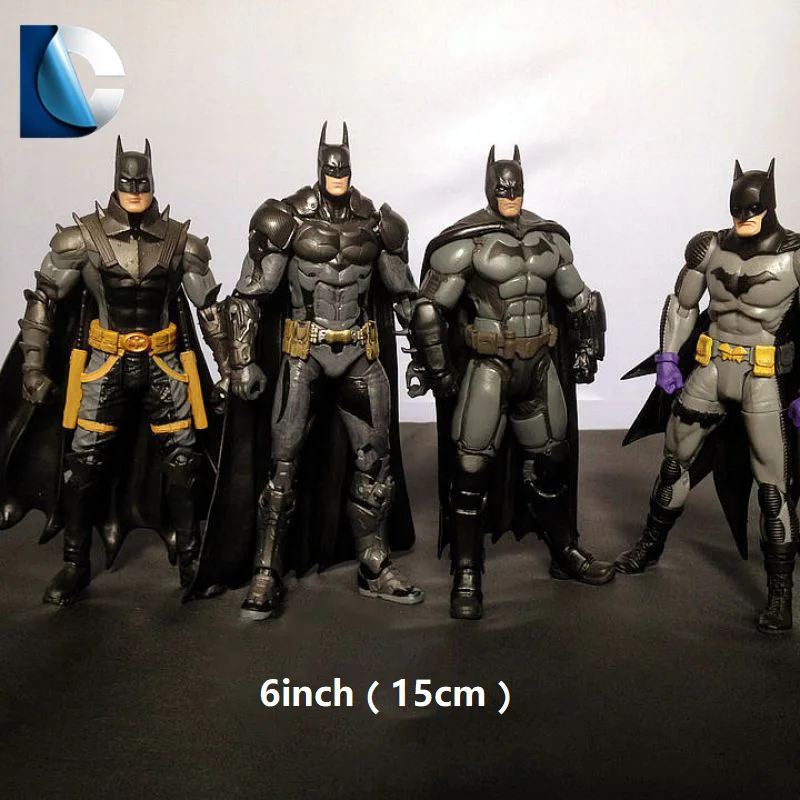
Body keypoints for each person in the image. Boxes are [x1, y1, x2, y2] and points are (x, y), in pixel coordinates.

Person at [0, 138, 229, 605]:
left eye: (142, 182)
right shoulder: (82, 239)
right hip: (104, 364)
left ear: (153, 182)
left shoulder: (179, 243)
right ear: (115, 181)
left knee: (182, 461)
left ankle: (191, 560)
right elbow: (44, 300)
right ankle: (75, 562)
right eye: (127, 182)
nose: (135, 190)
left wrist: (230, 368)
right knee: (84, 462)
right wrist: (33, 367)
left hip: (164, 363)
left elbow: (210, 310)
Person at [407, 145, 612, 620]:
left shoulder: (549, 240)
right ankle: (467, 571)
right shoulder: (467, 243)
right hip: (490, 367)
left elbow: (580, 299)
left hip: (539, 366)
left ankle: (564, 549)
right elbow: (428, 311)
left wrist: (586, 349)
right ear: (489, 187)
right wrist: (440, 372)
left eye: (515, 186)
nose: (510, 194)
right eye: (502, 187)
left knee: (554, 459)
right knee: (470, 467)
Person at [617, 159, 800, 634]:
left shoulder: (795, 256)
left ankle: (780, 594)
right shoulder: (710, 248)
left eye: (752, 210)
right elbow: (682, 304)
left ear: (769, 206)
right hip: (712, 366)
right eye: (738, 210)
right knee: (674, 461)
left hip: (762, 375)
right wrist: (667, 357)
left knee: (773, 487)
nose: (744, 218)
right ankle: (650, 545)